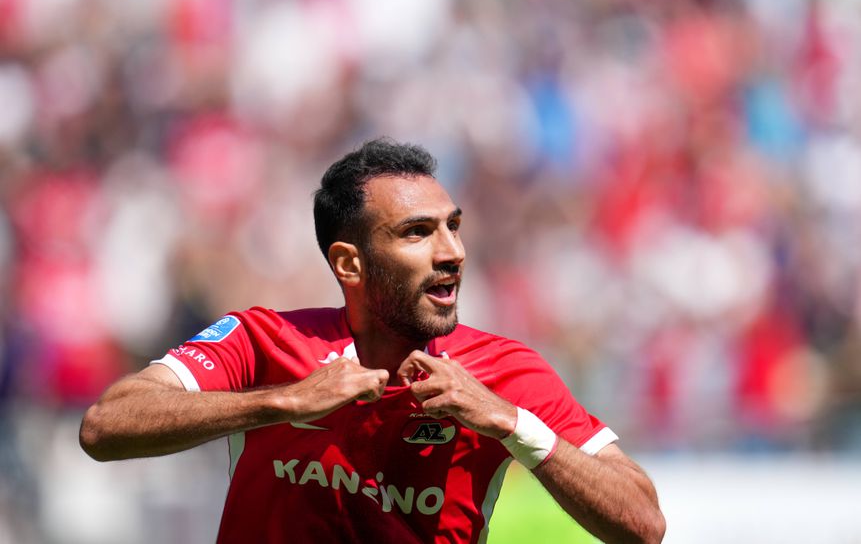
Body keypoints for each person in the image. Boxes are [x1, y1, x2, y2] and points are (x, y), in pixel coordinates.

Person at [79, 138, 665, 543]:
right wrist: (283, 400)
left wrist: (511, 422)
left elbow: (643, 523)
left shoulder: (503, 373)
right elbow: (105, 426)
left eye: (453, 226)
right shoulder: (265, 340)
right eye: (417, 232)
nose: (452, 252)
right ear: (350, 264)